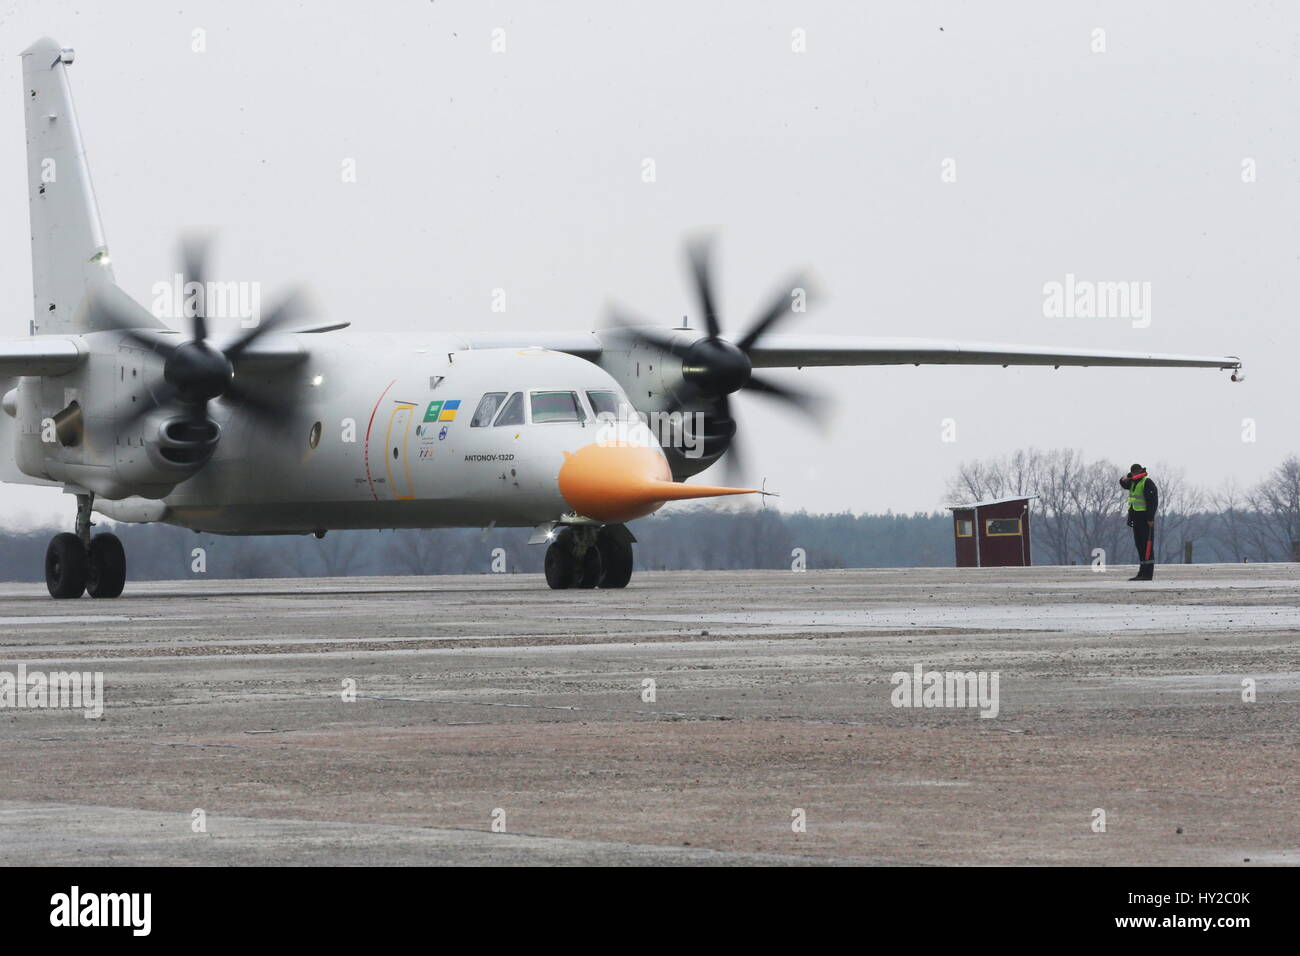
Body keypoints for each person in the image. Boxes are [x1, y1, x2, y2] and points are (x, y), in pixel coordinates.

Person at [1119, 463, 1158, 581]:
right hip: (1135, 517)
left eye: (1136, 472)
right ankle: (1141, 572)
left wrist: (1150, 518)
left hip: (1145, 519)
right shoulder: (1133, 482)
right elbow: (1124, 484)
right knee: (1140, 546)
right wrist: (1122, 479)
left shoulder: (1147, 482)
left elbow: (1152, 502)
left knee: (1147, 546)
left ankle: (1147, 574)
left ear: (1140, 471)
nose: (1135, 474)